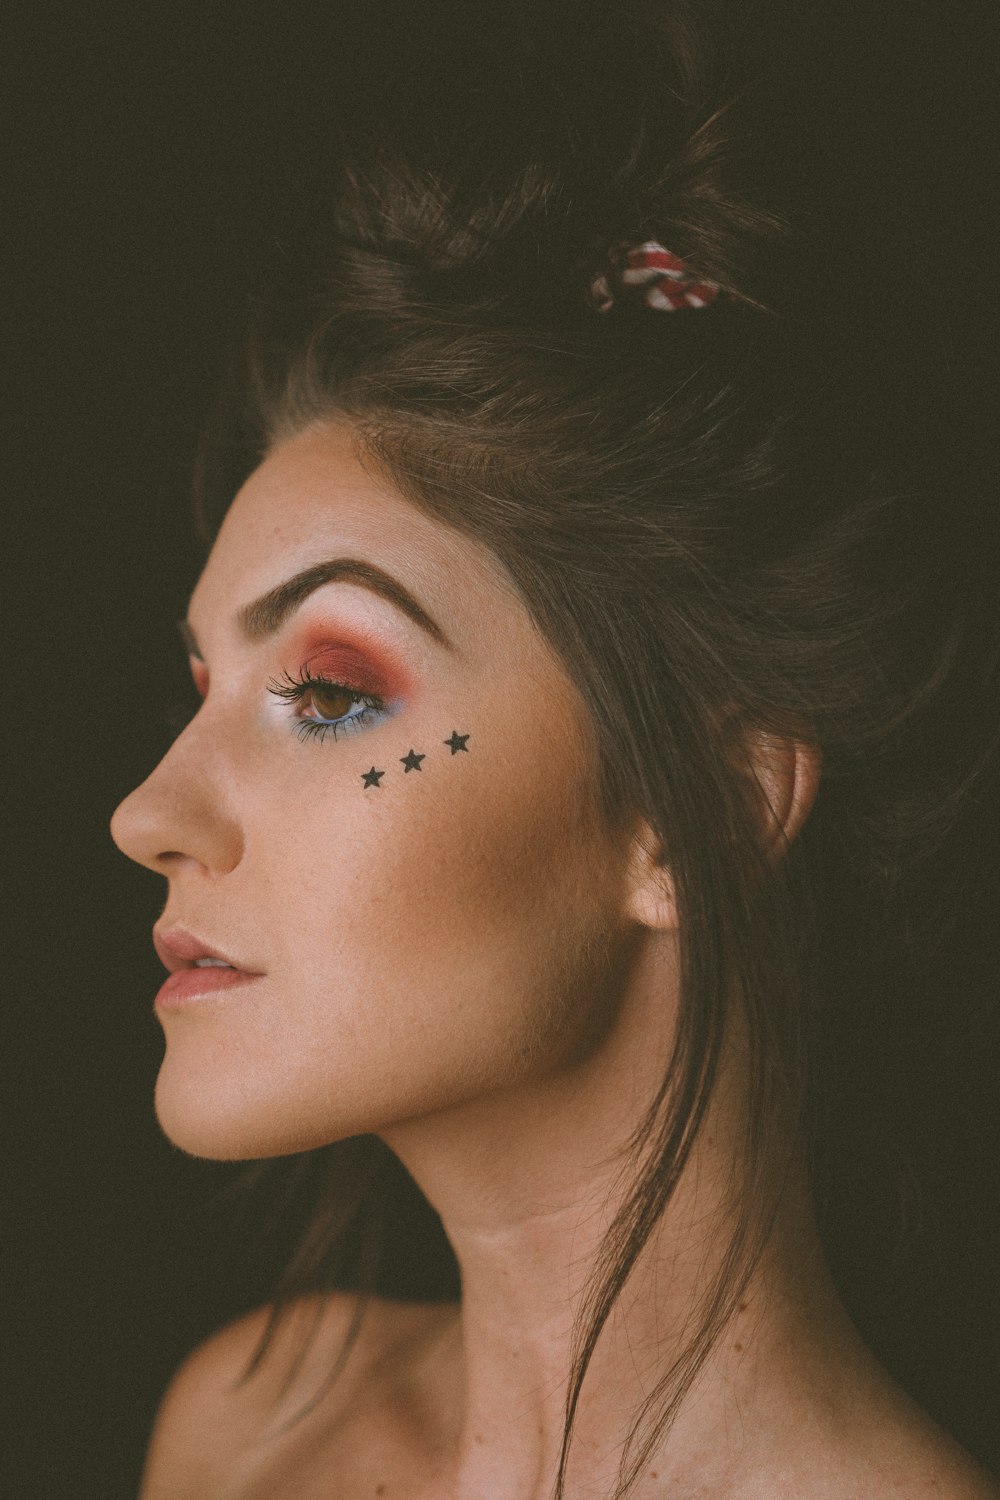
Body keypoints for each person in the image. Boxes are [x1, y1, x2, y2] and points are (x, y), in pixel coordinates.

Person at [109, 3, 999, 1496]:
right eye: (202, 683)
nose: (150, 811)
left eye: (329, 692)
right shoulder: (250, 1434)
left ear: (694, 808)